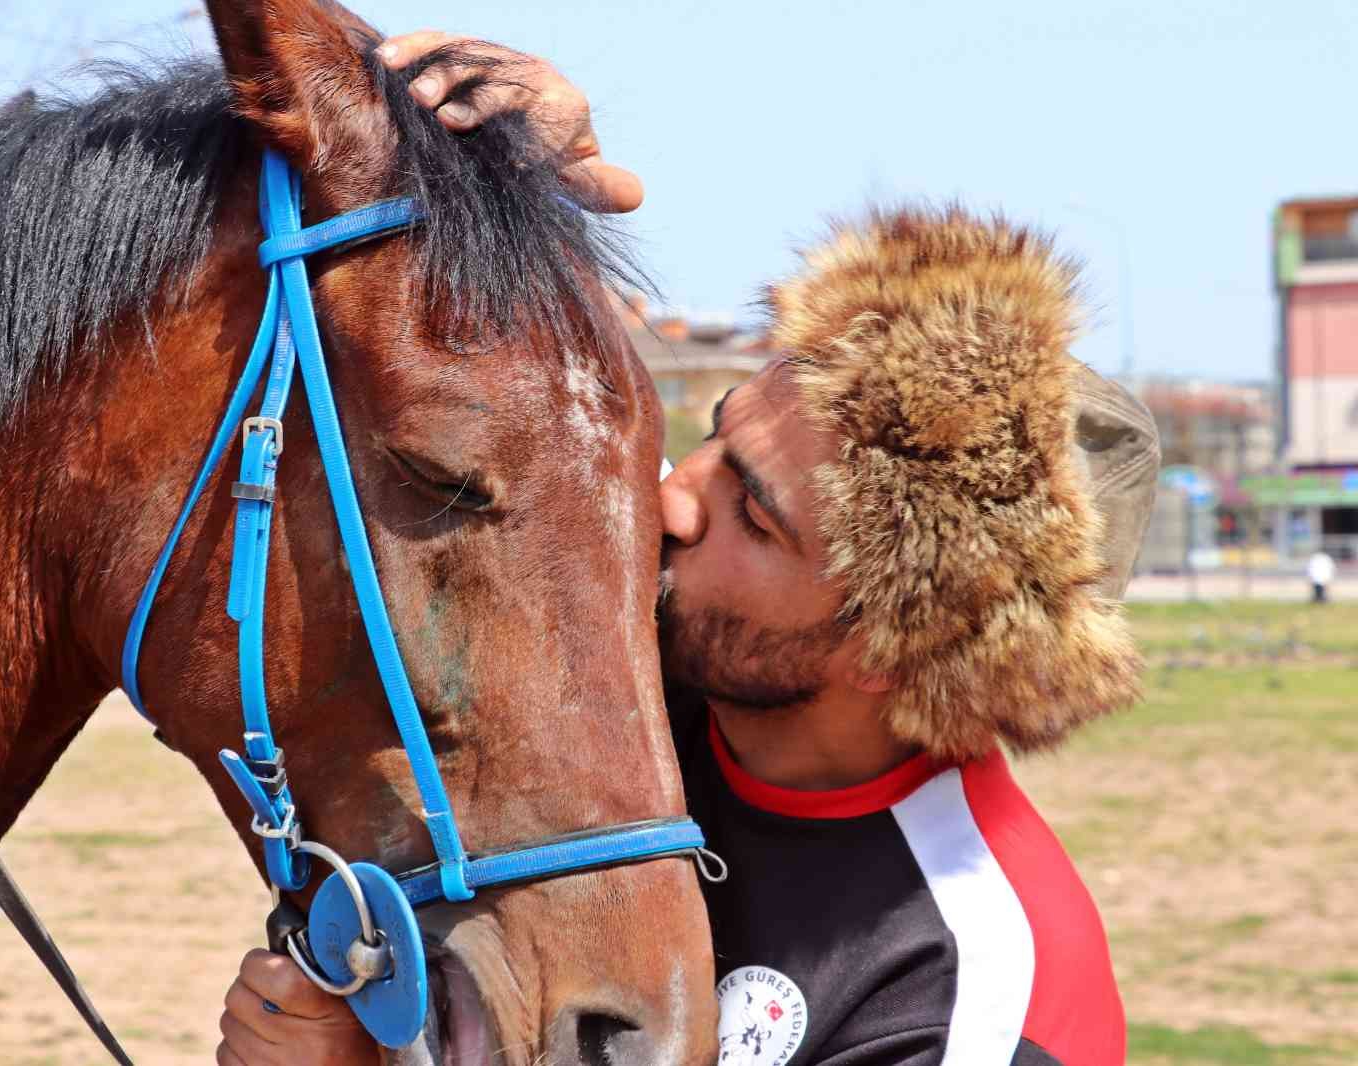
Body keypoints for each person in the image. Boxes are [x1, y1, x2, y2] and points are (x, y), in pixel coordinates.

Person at [215, 31, 1161, 1066]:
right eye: (715, 435)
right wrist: (494, 178)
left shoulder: (967, 994)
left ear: (893, 645)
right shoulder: (617, 702)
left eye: (753, 514)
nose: (669, 502)